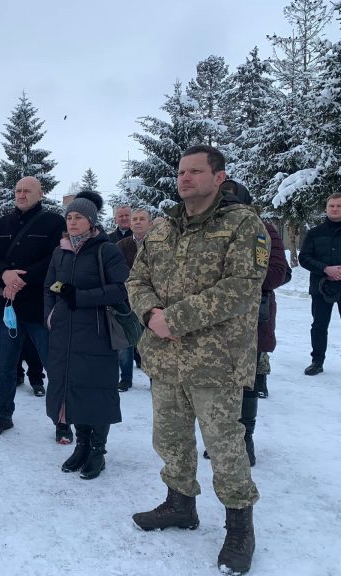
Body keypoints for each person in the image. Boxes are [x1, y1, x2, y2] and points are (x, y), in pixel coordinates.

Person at [127, 145, 267, 575]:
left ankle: (239, 526)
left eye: (195, 171)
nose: (184, 178)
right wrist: (151, 314)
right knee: (170, 439)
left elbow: (242, 286)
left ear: (218, 177)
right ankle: (180, 504)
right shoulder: (162, 229)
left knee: (225, 446)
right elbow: (136, 278)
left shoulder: (243, 224)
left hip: (216, 361)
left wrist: (174, 319)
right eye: (181, 172)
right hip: (165, 357)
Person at [45, 192, 129, 479]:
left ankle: (97, 451)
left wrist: (80, 297)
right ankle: (81, 445)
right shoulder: (60, 251)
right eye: (69, 217)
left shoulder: (107, 250)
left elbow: (122, 289)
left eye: (78, 217)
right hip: (64, 333)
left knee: (97, 392)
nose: (72, 222)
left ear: (91, 221)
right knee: (72, 390)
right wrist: (50, 315)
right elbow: (49, 286)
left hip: (97, 334)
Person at [204, 179, 288, 467]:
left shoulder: (261, 228)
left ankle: (245, 439)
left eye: (231, 200)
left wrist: (234, 284)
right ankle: (220, 437)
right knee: (216, 381)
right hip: (212, 320)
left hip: (251, 319)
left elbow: (276, 273)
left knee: (246, 383)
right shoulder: (209, 229)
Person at [0, 176, 66, 439]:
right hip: (8, 307)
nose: (21, 194)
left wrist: (20, 280)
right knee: (5, 368)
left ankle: (62, 420)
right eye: (18, 190)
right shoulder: (2, 223)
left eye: (27, 190)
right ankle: (3, 415)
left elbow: (55, 258)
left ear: (40, 194)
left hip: (39, 308)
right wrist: (5, 274)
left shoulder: (54, 222)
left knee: (54, 366)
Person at [298, 192, 341, 376]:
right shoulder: (315, 233)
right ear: (326, 208)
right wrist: (325, 269)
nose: (335, 209)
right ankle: (317, 361)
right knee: (319, 326)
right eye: (332, 206)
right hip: (321, 286)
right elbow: (304, 258)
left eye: (339, 206)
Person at [115, 209, 151, 391]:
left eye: (142, 219)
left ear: (149, 223)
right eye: (134, 219)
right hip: (127, 300)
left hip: (152, 300)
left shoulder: (159, 243)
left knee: (152, 341)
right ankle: (126, 378)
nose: (137, 222)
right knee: (125, 341)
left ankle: (154, 379)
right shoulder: (121, 245)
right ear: (130, 223)